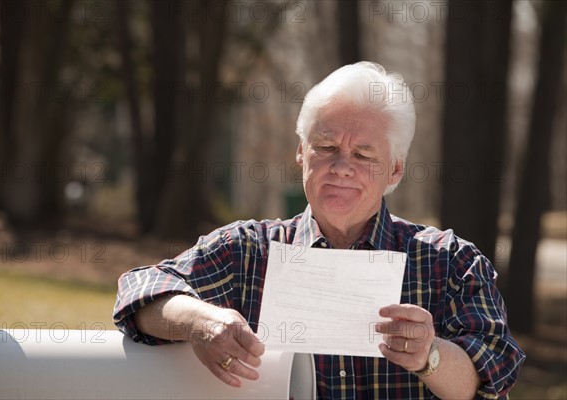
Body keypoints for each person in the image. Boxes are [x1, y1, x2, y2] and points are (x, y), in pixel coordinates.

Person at [113, 62, 525, 399]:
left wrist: (428, 355)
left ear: (395, 168)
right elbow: (140, 291)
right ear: (301, 152)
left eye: (364, 154)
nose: (341, 166)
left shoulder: (449, 261)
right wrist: (201, 322)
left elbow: (493, 371)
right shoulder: (247, 251)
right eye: (326, 147)